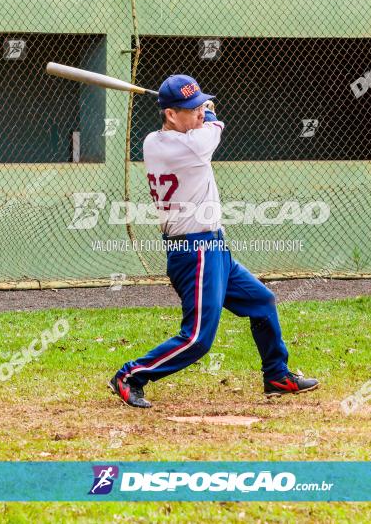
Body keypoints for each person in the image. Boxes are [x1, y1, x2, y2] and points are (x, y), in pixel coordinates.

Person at [109, 75, 319, 408]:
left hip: (213, 246)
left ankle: (277, 374)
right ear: (170, 115)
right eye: (188, 110)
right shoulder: (191, 145)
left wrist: (196, 108)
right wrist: (207, 111)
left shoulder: (152, 141)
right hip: (194, 251)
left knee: (261, 301)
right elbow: (213, 125)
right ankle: (130, 375)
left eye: (198, 107)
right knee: (197, 339)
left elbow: (200, 123)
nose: (197, 114)